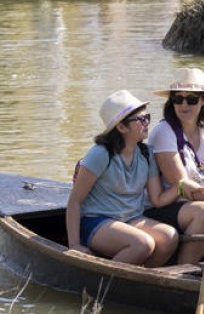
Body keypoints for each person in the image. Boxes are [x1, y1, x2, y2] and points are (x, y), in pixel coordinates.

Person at [65, 90, 178, 266]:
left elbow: (157, 199)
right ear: (121, 127)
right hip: (96, 222)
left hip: (131, 219)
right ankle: (102, 285)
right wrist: (74, 245)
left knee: (169, 237)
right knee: (142, 244)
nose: (147, 123)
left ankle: (143, 282)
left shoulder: (146, 153)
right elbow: (74, 201)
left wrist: (182, 186)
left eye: (147, 117)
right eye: (141, 120)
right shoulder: (100, 154)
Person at [145, 68, 204, 264]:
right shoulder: (164, 132)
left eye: (191, 99)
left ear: (203, 100)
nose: (183, 105)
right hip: (169, 207)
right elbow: (186, 188)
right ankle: (183, 271)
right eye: (177, 99)